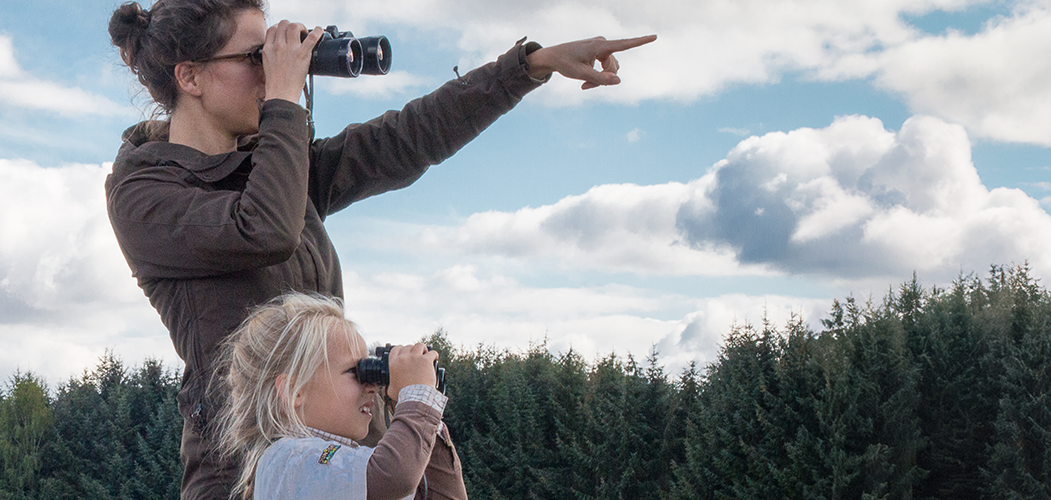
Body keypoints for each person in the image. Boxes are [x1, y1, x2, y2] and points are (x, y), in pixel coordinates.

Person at [104, 0, 654, 497]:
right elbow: (265, 230)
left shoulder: (278, 164)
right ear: (190, 76)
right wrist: (283, 103)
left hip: (342, 447)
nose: (274, 70)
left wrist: (530, 67)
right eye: (257, 56)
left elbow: (407, 138)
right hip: (242, 469)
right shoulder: (145, 194)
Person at [218, 293, 458, 500]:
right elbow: (394, 476)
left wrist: (425, 423)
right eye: (356, 372)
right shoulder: (290, 459)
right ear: (295, 391)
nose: (372, 387)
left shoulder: (339, 467)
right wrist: (417, 398)